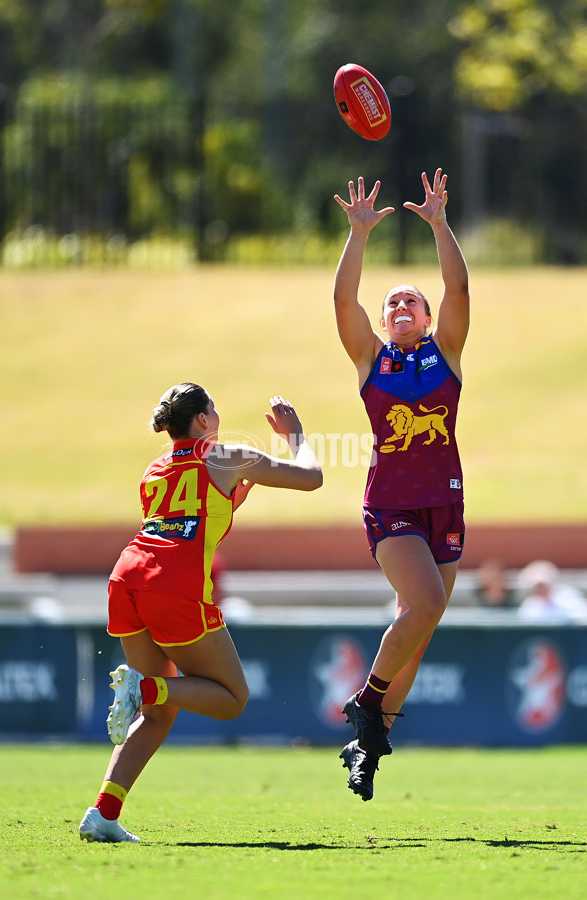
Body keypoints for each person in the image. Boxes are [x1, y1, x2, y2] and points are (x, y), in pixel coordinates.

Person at [79, 383, 322, 842]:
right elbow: (311, 478)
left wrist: (228, 502)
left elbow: (180, 523)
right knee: (232, 698)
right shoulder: (227, 456)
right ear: (205, 420)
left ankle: (103, 814)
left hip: (127, 577)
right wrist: (296, 435)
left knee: (158, 711)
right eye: (214, 409)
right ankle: (143, 686)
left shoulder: (154, 468)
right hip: (173, 588)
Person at [333, 169, 470, 801]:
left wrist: (440, 225)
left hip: (444, 502)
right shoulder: (372, 361)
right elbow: (344, 302)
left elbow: (458, 283)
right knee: (425, 606)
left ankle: (368, 747)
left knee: (416, 630)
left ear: (426, 315)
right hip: (391, 506)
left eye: (410, 301)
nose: (399, 307)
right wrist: (358, 234)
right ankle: (366, 707)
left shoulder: (445, 353)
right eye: (392, 303)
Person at [517, 559, 587, 622]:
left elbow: (580, 619)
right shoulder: (530, 605)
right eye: (536, 586)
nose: (540, 589)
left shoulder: (569, 597)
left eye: (542, 585)